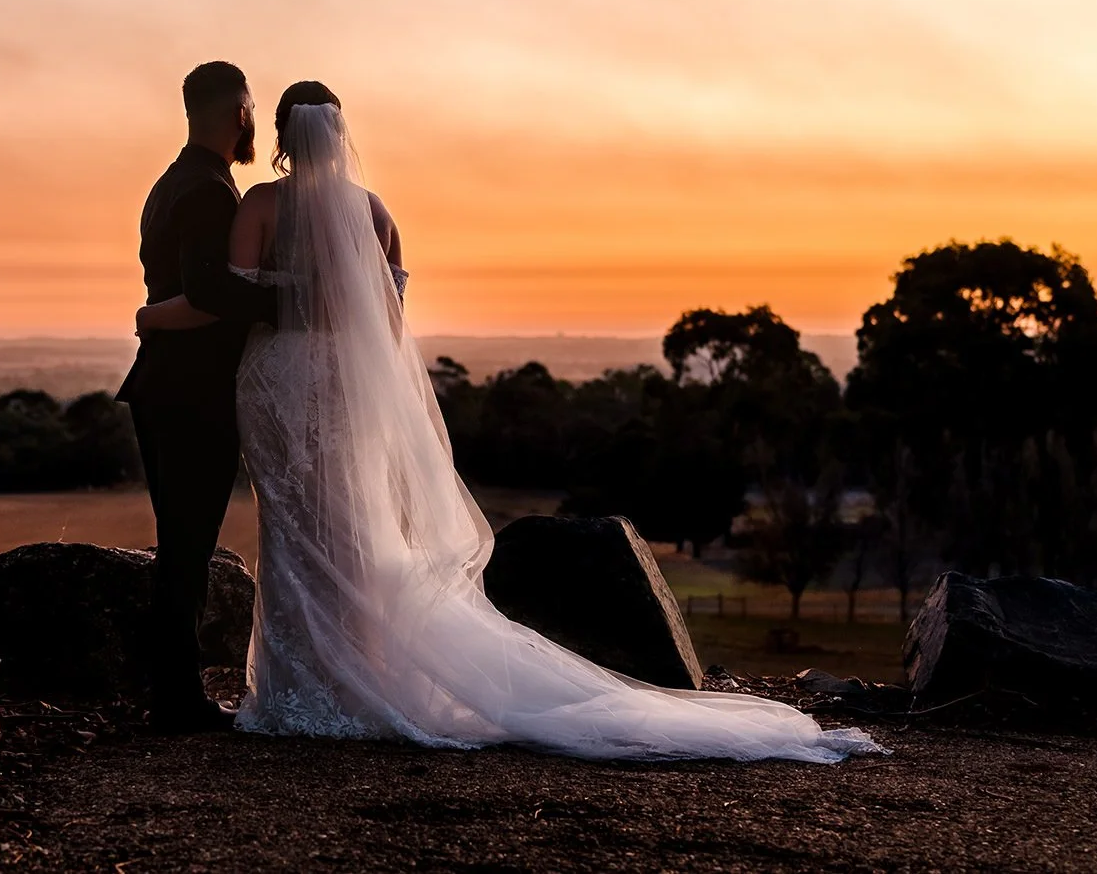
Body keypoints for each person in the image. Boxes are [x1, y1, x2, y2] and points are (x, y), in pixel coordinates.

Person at [136, 82, 881, 763]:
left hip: (278, 384)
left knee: (294, 529)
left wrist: (159, 316)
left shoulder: (261, 206)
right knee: (354, 527)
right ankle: (352, 679)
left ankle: (300, 691)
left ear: (281, 136)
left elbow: (230, 302)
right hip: (347, 390)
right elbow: (390, 327)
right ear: (340, 133)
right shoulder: (375, 213)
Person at [116, 61, 279, 733]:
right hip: (190, 392)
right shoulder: (210, 191)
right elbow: (210, 293)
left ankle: (171, 692)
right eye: (252, 110)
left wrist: (150, 315)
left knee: (180, 543)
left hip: (164, 385)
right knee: (187, 546)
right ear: (240, 111)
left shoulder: (172, 181)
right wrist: (294, 302)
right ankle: (176, 700)